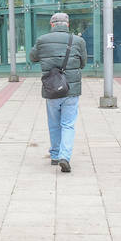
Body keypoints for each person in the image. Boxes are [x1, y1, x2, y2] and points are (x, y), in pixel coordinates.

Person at [28, 12, 88, 173]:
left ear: (52, 24)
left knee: (54, 123)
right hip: (72, 89)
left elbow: (32, 57)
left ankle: (55, 155)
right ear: (67, 24)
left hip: (52, 89)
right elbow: (83, 63)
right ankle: (65, 156)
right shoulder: (78, 41)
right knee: (68, 124)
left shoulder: (42, 40)